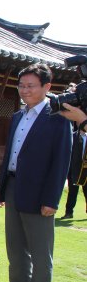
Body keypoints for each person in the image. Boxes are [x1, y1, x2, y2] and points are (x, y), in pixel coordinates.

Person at [0, 64, 72, 282]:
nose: (24, 90)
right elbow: (10, 157)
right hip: (14, 186)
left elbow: (61, 162)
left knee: (39, 249)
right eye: (21, 85)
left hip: (40, 193)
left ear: (47, 87)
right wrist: (2, 189)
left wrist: (52, 200)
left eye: (31, 85)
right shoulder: (17, 116)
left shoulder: (58, 119)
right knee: (15, 246)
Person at [60, 84, 87, 219]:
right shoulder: (73, 135)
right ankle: (68, 212)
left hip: (85, 168)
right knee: (72, 191)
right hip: (74, 168)